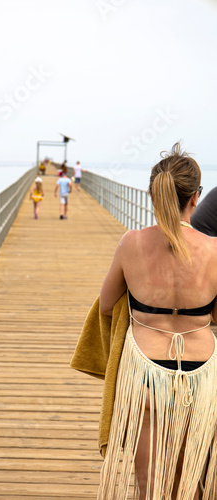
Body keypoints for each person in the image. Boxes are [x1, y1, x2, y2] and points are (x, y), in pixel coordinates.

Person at [91, 143, 217, 499]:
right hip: (202, 372)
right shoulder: (214, 249)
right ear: (195, 197)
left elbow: (105, 304)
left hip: (145, 372)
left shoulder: (132, 243)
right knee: (192, 479)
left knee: (148, 485)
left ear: (153, 195)